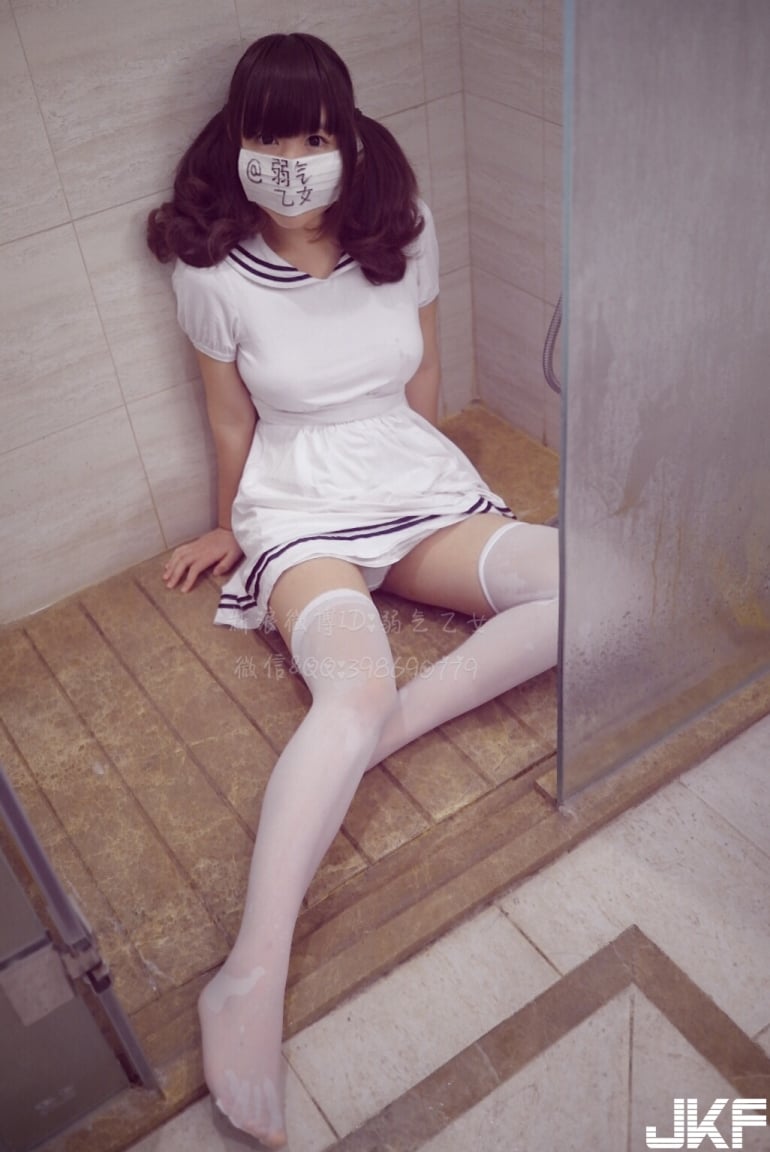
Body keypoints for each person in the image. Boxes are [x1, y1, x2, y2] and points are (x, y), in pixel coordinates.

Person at [147, 31, 558, 1149]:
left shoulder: (402, 227)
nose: (293, 164)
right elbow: (230, 420)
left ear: (348, 138)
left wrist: (442, 481)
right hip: (297, 501)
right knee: (350, 686)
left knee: (582, 586)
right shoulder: (213, 273)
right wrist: (228, 524)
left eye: (314, 138)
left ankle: (374, 740)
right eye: (269, 140)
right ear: (236, 143)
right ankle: (248, 975)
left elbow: (423, 376)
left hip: (408, 475)